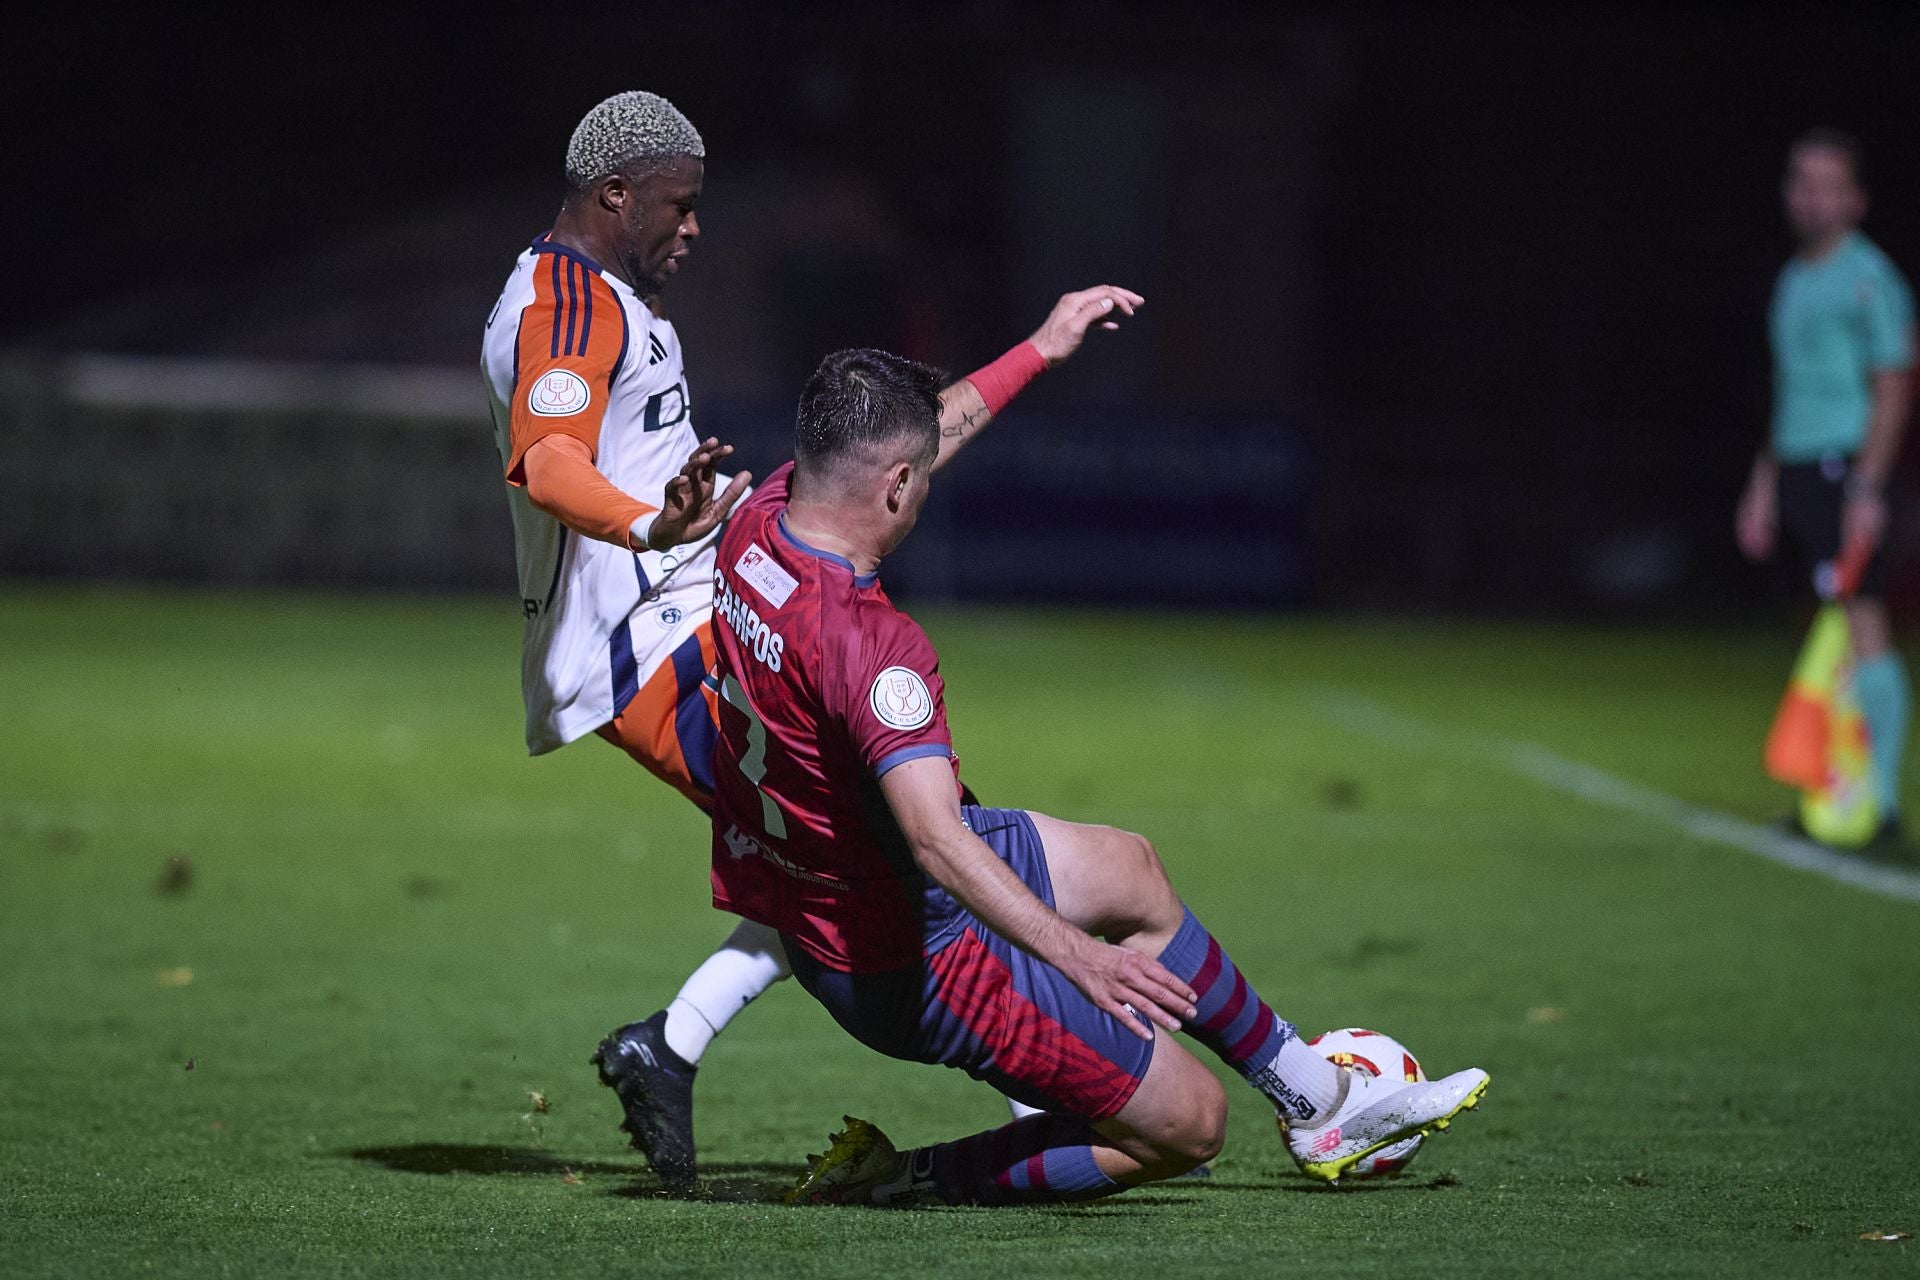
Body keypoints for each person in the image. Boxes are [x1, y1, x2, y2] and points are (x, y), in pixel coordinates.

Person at [481, 89, 1145, 1184]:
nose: (695, 227)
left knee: (856, 842)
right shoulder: (567, 307)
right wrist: (652, 522)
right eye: (679, 206)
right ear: (613, 194)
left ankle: (674, 1041)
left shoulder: (591, 293)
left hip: (701, 593)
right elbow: (549, 460)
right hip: (648, 649)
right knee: (891, 840)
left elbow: (902, 448)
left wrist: (1038, 348)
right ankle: (1069, 1083)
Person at [705, 348, 1490, 1205]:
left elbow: (915, 442)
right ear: (896, 486)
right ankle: (899, 1179)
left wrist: (1041, 346)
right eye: (920, 477)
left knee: (1132, 871)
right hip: (910, 955)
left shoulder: (762, 519)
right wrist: (1079, 956)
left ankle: (1319, 1103)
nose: (926, 487)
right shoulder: (872, 646)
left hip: (843, 895)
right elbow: (934, 841)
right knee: (1192, 1126)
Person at [1737, 129, 1916, 846]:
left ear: (1856, 198)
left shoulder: (1870, 277)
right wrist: (1762, 482)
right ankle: (1834, 793)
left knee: (1864, 619)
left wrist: (1868, 486)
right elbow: (1790, 390)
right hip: (1802, 466)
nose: (1811, 196)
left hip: (1849, 466)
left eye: (1827, 184)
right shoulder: (1793, 280)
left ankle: (1886, 805)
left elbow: (1895, 384)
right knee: (1830, 633)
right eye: (1801, 181)